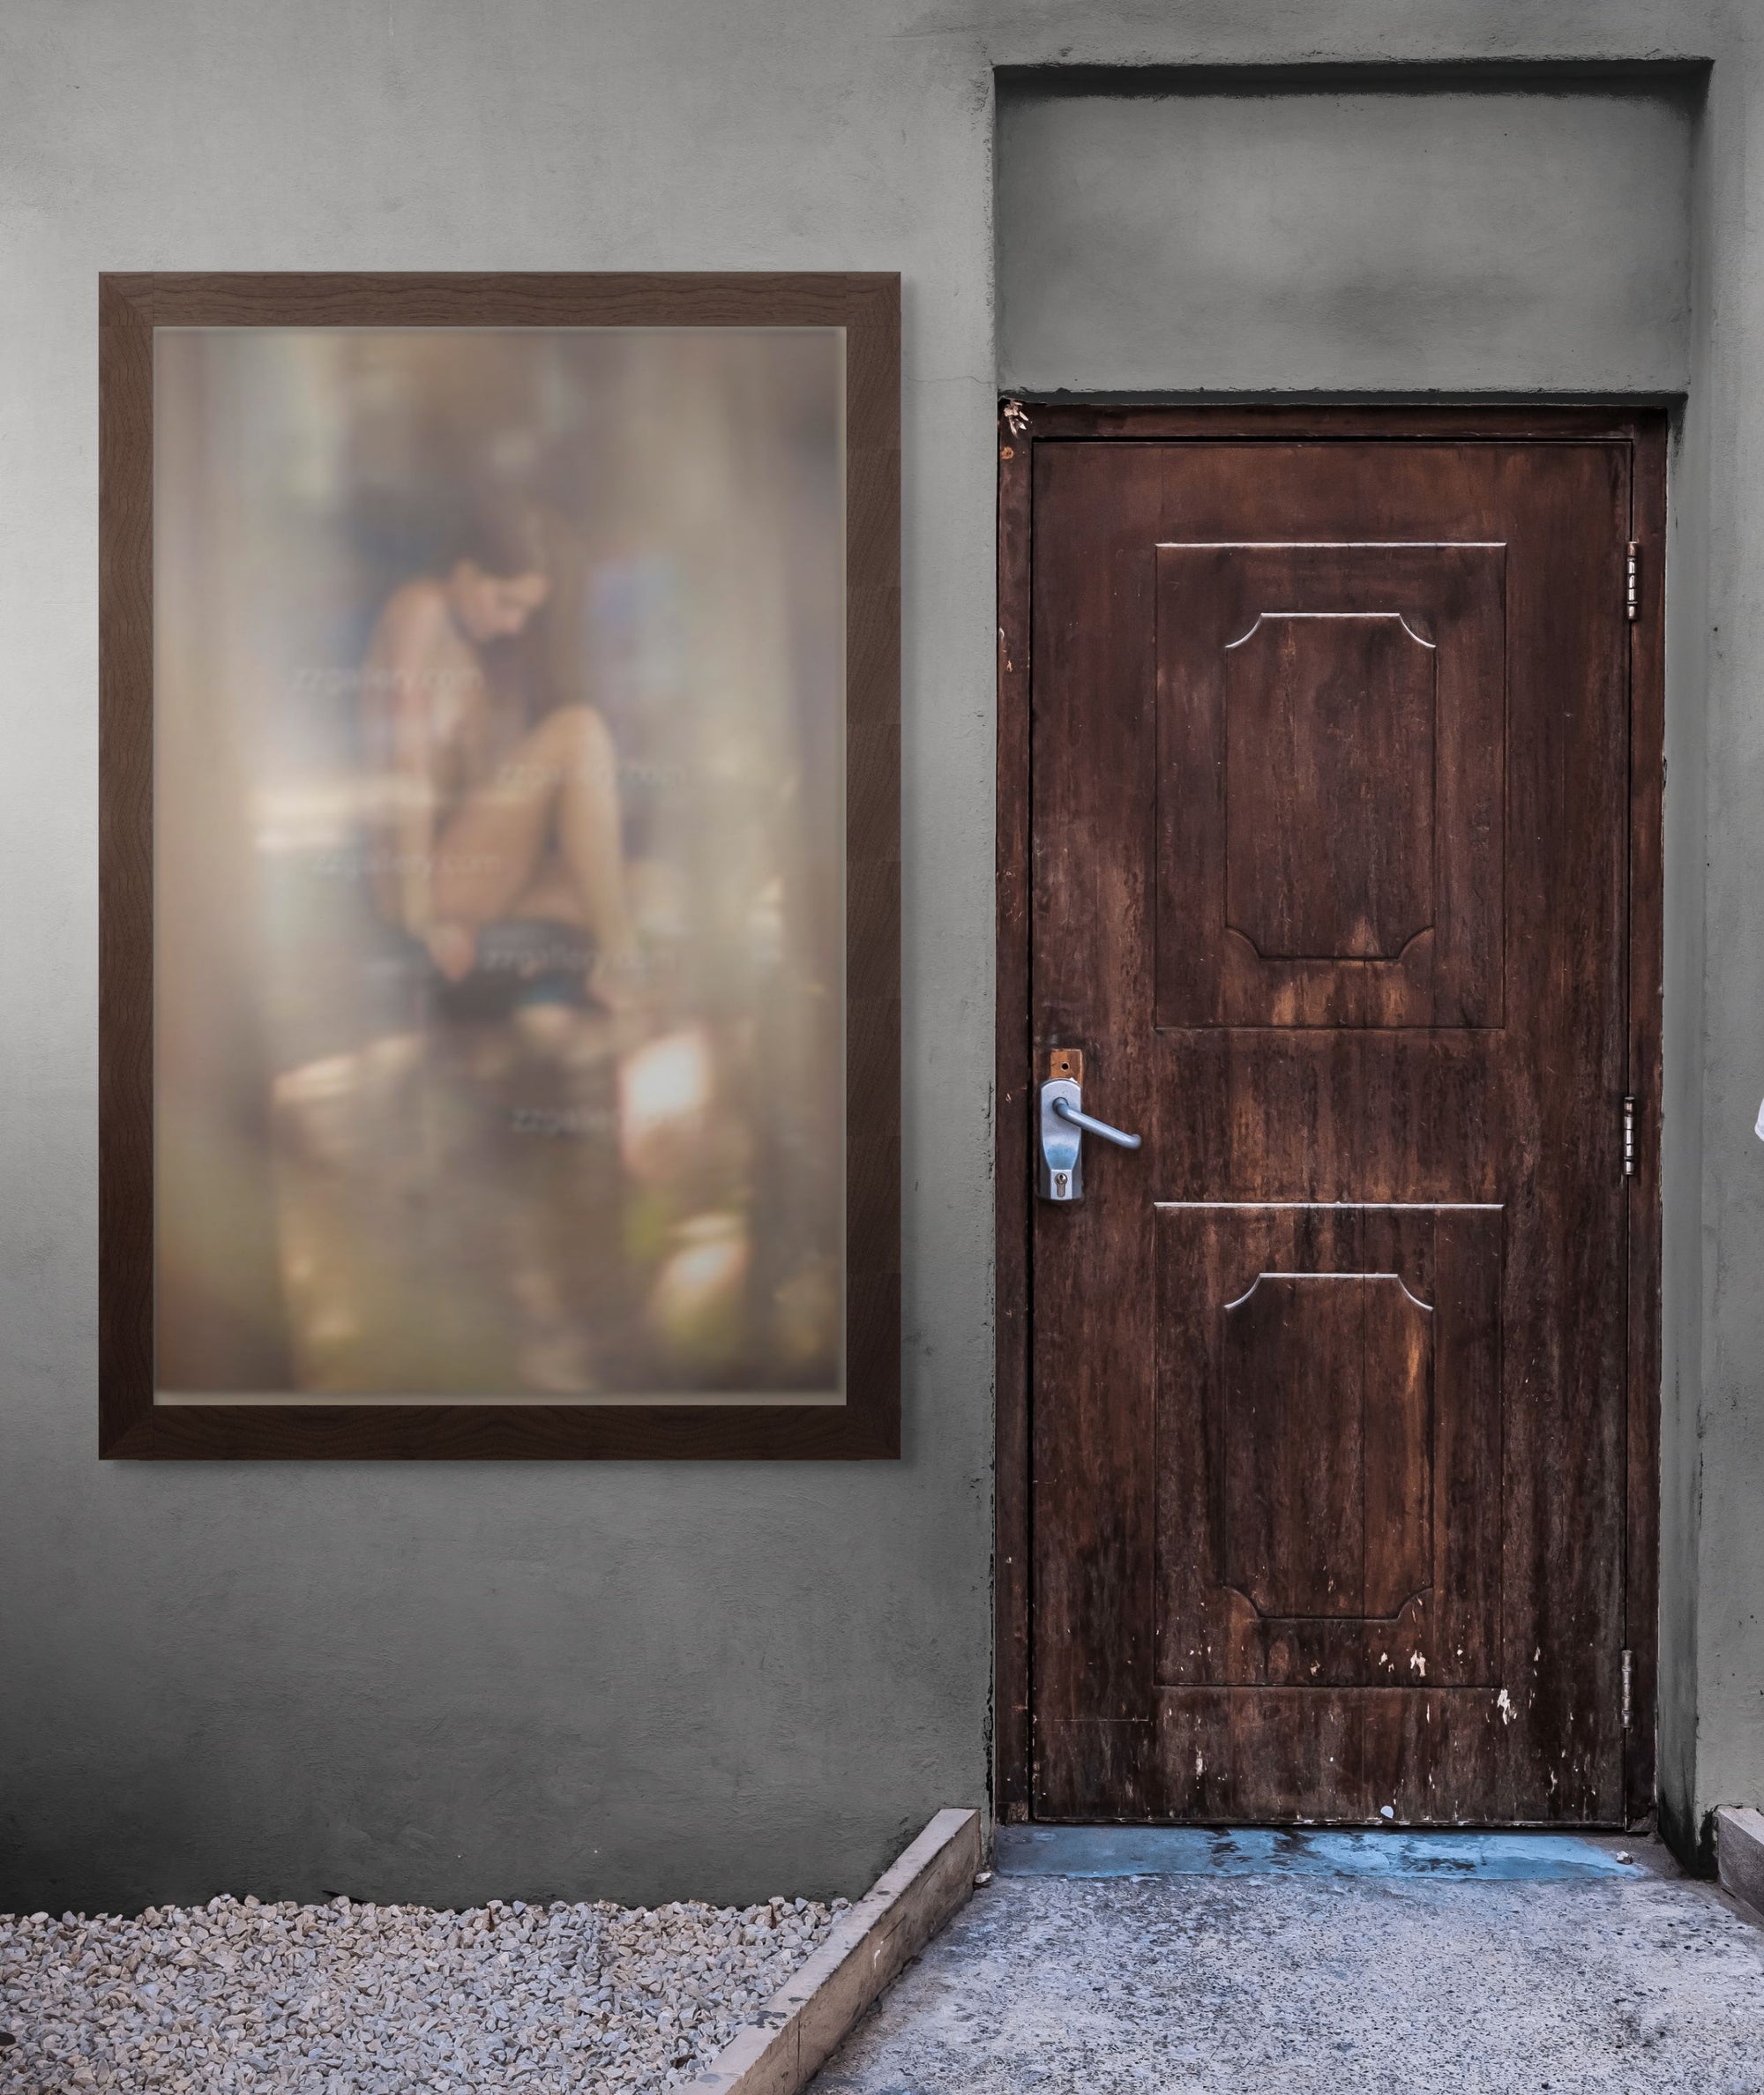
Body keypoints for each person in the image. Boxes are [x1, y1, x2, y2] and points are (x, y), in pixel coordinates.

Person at [360, 501, 640, 1011]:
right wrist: (424, 921)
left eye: (525, 612)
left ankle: (619, 1000)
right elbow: (407, 767)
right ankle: (624, 967)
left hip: (470, 872)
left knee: (642, 891)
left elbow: (486, 801)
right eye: (506, 602)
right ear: (466, 573)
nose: (514, 625)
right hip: (419, 883)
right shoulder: (420, 610)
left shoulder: (475, 652)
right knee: (580, 731)